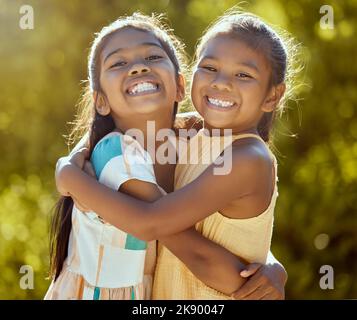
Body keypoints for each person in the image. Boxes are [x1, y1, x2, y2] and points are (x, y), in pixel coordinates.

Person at [53, 12, 291, 300]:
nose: (222, 83)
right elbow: (116, 128)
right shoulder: (194, 133)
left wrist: (69, 176)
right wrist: (76, 155)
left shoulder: (247, 157)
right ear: (187, 82)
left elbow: (151, 223)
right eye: (210, 67)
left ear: (272, 96)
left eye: (243, 74)